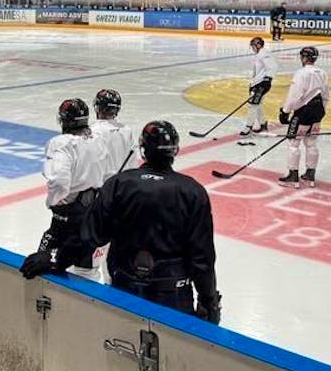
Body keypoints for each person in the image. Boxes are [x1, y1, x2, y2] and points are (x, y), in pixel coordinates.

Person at [20, 120, 221, 323]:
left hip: (125, 285)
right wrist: (208, 300)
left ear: (143, 150)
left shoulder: (120, 184)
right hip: (173, 291)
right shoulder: (192, 192)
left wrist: (56, 257)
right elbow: (202, 256)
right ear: (175, 151)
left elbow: (89, 236)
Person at [34, 98, 107, 282]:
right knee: (87, 274)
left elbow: (59, 181)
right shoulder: (97, 140)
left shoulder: (61, 143)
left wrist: (54, 202)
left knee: (45, 270)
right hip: (92, 218)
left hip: (66, 221)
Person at [278, 46, 330, 188]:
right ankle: (310, 174)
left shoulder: (301, 73)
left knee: (293, 143)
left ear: (304, 58)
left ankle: (293, 176)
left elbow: (295, 95)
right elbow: (326, 95)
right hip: (318, 110)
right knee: (311, 142)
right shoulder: (322, 73)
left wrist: (285, 111)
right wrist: (321, 112)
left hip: (304, 111)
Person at [90, 89, 138, 183]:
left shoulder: (92, 131)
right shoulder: (126, 130)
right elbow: (132, 165)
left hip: (102, 188)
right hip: (124, 186)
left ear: (98, 108)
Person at [242, 36, 277, 136]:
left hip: (261, 84)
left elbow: (273, 67)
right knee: (257, 105)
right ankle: (263, 124)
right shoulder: (258, 55)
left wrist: (266, 80)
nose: (252, 48)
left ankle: (248, 126)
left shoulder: (264, 54)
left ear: (258, 45)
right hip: (256, 83)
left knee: (253, 105)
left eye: (253, 46)